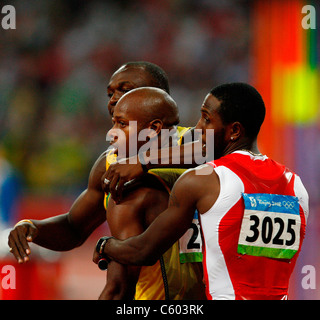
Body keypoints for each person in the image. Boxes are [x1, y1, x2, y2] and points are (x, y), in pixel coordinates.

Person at [94, 82, 309, 300]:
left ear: (234, 131)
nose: (197, 129)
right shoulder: (297, 187)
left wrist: (105, 245)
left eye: (206, 119)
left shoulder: (202, 181)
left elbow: (144, 251)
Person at [8, 61, 204, 300]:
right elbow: (74, 227)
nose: (113, 99)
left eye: (125, 89)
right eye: (110, 93)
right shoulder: (108, 165)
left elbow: (214, 149)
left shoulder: (194, 141)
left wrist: (144, 161)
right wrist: (34, 228)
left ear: (158, 95)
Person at [100, 87, 205, 299]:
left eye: (121, 124)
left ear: (154, 127)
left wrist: (105, 246)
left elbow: (118, 289)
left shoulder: (132, 188)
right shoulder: (214, 173)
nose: (111, 132)